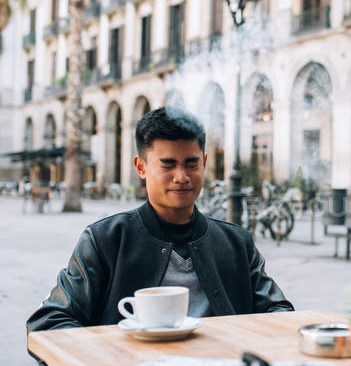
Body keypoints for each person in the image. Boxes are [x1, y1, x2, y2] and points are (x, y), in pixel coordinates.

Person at [27, 106, 293, 333]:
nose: (181, 176)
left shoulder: (237, 242)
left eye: (192, 164)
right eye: (167, 165)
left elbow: (279, 310)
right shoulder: (105, 239)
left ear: (205, 162)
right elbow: (48, 320)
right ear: (141, 167)